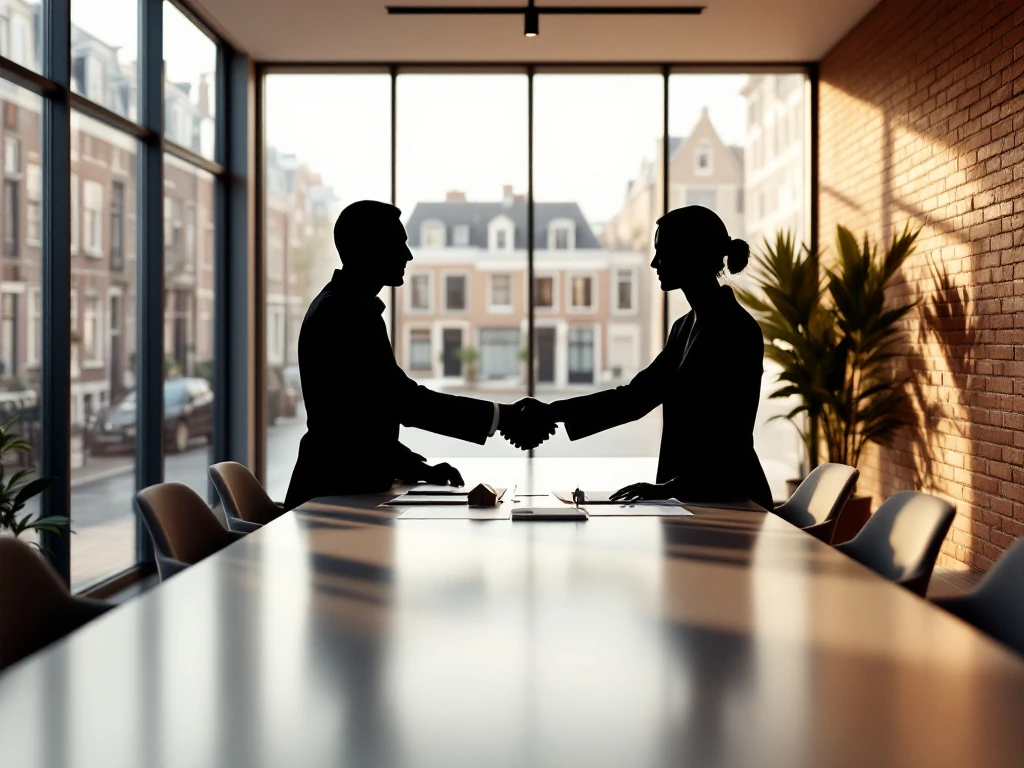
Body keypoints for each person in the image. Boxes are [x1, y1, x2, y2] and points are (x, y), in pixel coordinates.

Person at [283, 201, 553, 511]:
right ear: (369, 247)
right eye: (399, 243)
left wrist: (416, 468)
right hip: (334, 497)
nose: (408, 255)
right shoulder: (345, 312)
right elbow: (401, 401)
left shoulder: (343, 305)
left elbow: (359, 416)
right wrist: (502, 417)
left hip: (340, 490)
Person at [515, 205, 772, 510]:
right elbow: (636, 397)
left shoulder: (736, 330)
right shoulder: (684, 327)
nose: (653, 263)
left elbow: (729, 440)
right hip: (695, 497)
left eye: (662, 251)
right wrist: (549, 412)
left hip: (731, 499)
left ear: (691, 253)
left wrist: (669, 489)